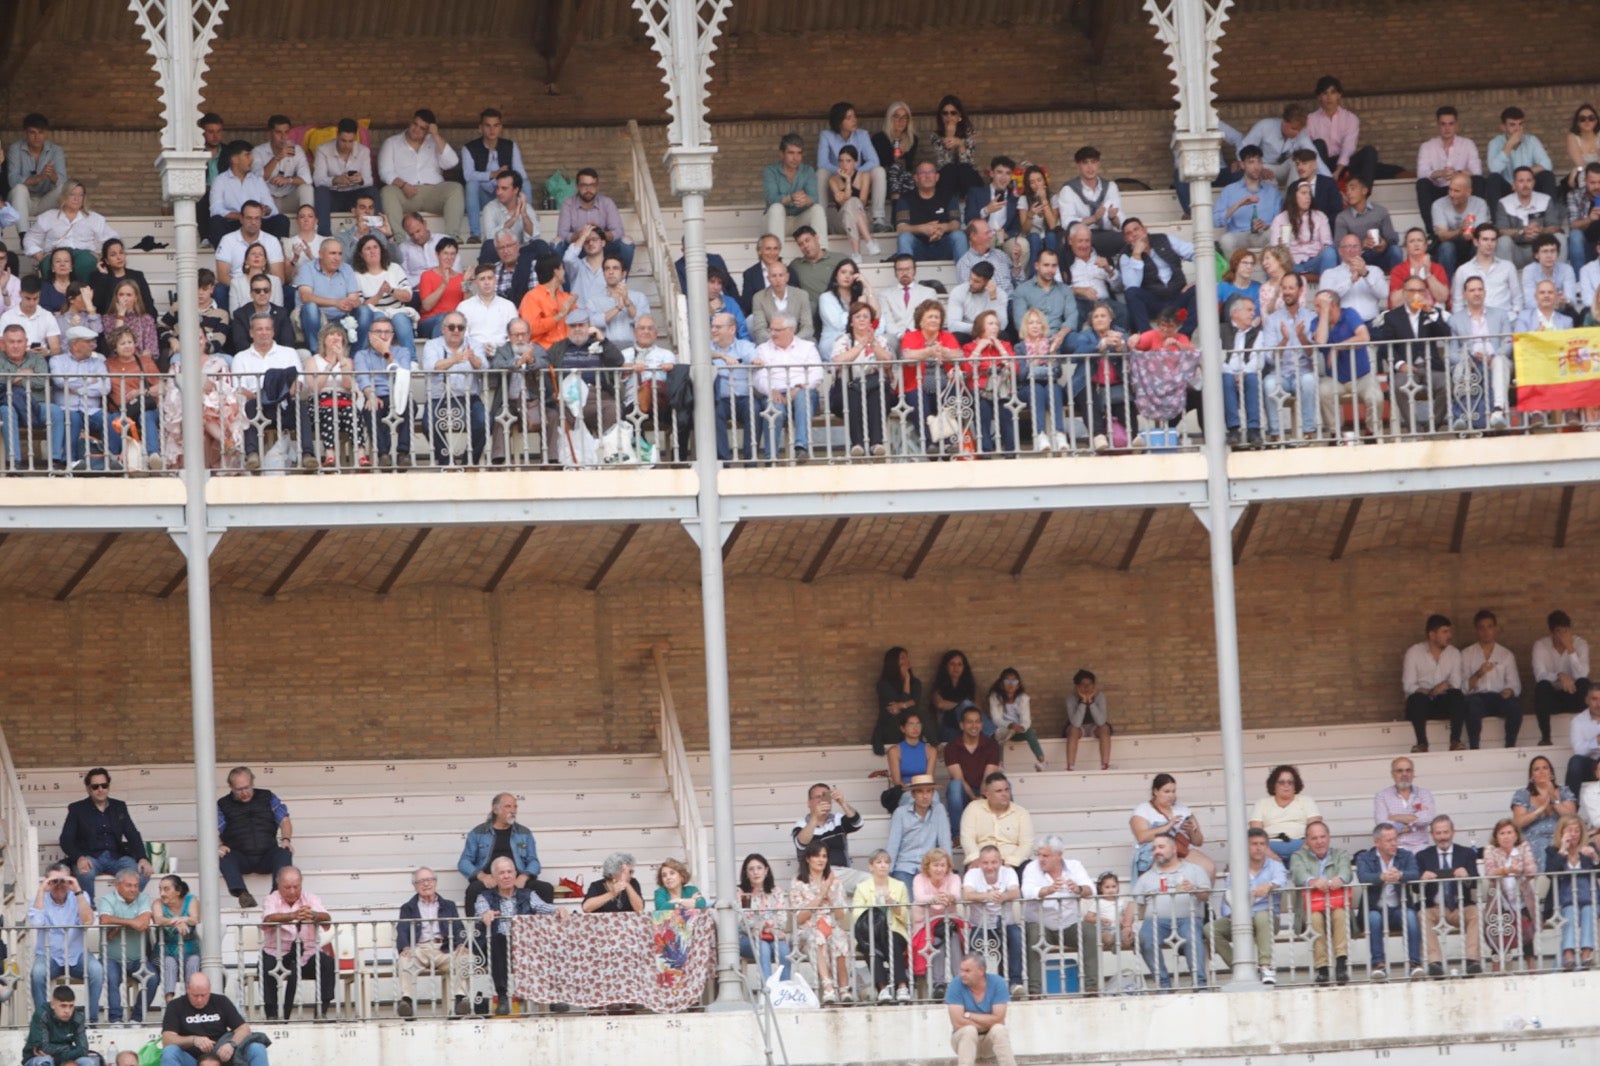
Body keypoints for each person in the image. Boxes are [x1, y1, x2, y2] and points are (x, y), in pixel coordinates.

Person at [478, 855, 559, 1015]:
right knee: (498, 941)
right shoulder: (485, 897)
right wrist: (485, 914)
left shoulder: (528, 894)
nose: (506, 876)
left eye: (509, 871)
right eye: (501, 873)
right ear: (494, 877)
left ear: (515, 874)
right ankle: (502, 997)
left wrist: (557, 910)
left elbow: (543, 907)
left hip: (526, 943)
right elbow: (481, 911)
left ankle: (552, 997)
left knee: (547, 942)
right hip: (501, 944)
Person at [1204, 827, 1285, 985]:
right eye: (1254, 844)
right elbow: (1228, 896)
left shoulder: (1275, 866)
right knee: (1210, 929)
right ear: (1246, 846)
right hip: (1242, 917)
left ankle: (1265, 967)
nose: (1258, 847)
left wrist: (1269, 885)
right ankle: (1240, 968)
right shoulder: (1237, 868)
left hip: (1268, 919)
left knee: (1262, 916)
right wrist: (1231, 914)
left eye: (1262, 844)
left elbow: (1281, 880)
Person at [59, 767, 152, 902]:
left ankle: (123, 906)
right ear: (88, 789)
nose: (100, 789)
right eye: (95, 786)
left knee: (143, 872)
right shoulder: (77, 809)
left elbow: (132, 833)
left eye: (104, 785)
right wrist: (79, 857)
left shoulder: (119, 806)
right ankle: (90, 910)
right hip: (91, 857)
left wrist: (143, 858)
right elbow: (65, 839)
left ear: (108, 786)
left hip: (116, 857)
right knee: (85, 873)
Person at [1132, 833, 1211, 990]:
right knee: (1145, 940)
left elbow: (1206, 896)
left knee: (1192, 937)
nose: (1156, 851)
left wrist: (1194, 889)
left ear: (1174, 849)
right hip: (1155, 921)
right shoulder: (1146, 877)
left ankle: (1200, 984)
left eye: (1161, 847)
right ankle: (1163, 984)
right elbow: (1134, 904)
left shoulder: (1195, 870)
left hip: (1188, 918)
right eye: (1154, 848)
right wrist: (1127, 926)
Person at [1020, 834, 1097, 995]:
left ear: (1059, 855)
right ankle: (1035, 991)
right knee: (1033, 933)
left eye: (1045, 855)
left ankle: (1092, 988)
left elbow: (1091, 890)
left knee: (1089, 932)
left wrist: (1078, 889)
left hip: (1068, 925)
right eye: (1039, 854)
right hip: (1041, 926)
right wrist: (1047, 890)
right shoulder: (1031, 868)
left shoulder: (1074, 866)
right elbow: (1026, 892)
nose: (1041, 859)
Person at [28, 863, 103, 1021]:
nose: (59, 885)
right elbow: (36, 923)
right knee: (37, 974)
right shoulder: (38, 898)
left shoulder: (80, 896)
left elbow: (88, 921)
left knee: (96, 970)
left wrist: (76, 889)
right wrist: (42, 890)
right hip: (49, 955)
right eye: (54, 881)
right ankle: (43, 1021)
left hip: (77, 954)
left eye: (63, 880)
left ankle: (91, 1019)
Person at [394, 865, 470, 1019]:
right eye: (421, 881)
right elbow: (402, 929)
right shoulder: (408, 907)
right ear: (415, 886)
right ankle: (406, 1002)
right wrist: (405, 947)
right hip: (420, 949)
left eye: (429, 880)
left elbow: (458, 927)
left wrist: (461, 944)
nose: (426, 884)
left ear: (435, 882)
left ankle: (460, 1000)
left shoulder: (448, 905)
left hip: (443, 948)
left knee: (464, 958)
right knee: (404, 959)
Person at [259, 866, 334, 1020]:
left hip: (306, 954)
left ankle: (321, 1011)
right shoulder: (272, 898)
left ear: (301, 884)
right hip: (278, 954)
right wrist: (292, 916)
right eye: (287, 887)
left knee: (327, 964)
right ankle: (272, 1015)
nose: (292, 891)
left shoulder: (310, 898)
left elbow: (326, 918)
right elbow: (268, 919)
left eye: (296, 887)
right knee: (265, 965)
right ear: (278, 885)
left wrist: (313, 915)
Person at [378, 109, 464, 240]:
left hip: (433, 192)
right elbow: (384, 172)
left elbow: (452, 162)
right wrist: (403, 185)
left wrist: (435, 135)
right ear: (410, 122)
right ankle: (399, 237)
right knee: (387, 192)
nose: (416, 129)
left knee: (456, 188)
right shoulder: (392, 142)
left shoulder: (435, 141)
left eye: (422, 128)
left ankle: (452, 237)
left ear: (428, 130)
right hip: (406, 193)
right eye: (415, 124)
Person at [215, 766, 293, 908]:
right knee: (223, 857)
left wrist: (286, 839)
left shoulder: (268, 797)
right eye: (239, 789)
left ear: (252, 783)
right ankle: (243, 894)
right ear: (231, 787)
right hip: (240, 857)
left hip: (267, 855)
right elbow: (213, 829)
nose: (244, 792)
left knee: (284, 853)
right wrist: (219, 845)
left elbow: (284, 820)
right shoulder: (223, 804)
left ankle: (276, 894)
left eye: (247, 787)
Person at [1355, 823, 1423, 981]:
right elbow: (1363, 876)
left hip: (1397, 909)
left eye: (1395, 839)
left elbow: (1415, 873)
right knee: (1374, 918)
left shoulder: (1405, 855)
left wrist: (1400, 875)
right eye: (1389, 840)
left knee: (1411, 916)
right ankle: (1379, 965)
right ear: (1377, 842)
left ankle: (1415, 963)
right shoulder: (1365, 857)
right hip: (1374, 909)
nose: (1394, 843)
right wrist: (1381, 877)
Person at [1416, 815, 1482, 976]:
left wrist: (1467, 876)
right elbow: (1415, 890)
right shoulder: (1422, 856)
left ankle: (1472, 960)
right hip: (1435, 907)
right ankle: (1435, 962)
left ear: (1453, 832)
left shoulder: (1466, 853)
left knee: (1477, 913)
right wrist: (1422, 879)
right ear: (1432, 835)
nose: (1442, 837)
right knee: (1421, 915)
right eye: (1438, 833)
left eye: (1446, 832)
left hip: (1461, 906)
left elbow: (1474, 882)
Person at [751, 314, 823, 461]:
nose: (773, 334)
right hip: (775, 392)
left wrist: (799, 387)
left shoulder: (807, 347)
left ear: (790, 330)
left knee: (804, 396)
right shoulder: (763, 349)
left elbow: (817, 372)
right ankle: (771, 457)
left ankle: (801, 447)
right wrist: (770, 390)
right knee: (774, 408)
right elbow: (759, 377)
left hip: (801, 390)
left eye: (777, 330)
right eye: (771, 330)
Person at [1288, 821, 1352, 985]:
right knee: (1314, 919)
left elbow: (1346, 870)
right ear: (1307, 841)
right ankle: (1322, 968)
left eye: (1323, 836)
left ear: (1329, 837)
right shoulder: (1298, 856)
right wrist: (1312, 881)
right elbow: (1298, 873)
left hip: (1336, 904)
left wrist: (1340, 878)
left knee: (1340, 914)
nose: (1319, 841)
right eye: (1314, 838)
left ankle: (1340, 964)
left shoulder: (1340, 853)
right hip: (1311, 907)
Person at [1311, 287, 1379, 440]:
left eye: (1318, 306)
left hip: (1361, 376)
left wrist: (1337, 346)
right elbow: (1321, 341)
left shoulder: (1349, 314)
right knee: (1323, 391)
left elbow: (1364, 337)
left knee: (1375, 396)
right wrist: (1324, 313)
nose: (1315, 310)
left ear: (1332, 305)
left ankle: (1371, 432)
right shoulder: (1317, 321)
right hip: (1335, 378)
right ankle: (1336, 434)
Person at [790, 840, 852, 1005]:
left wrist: (830, 895)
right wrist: (820, 894)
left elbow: (840, 915)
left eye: (824, 856)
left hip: (831, 925)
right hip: (808, 928)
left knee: (839, 937)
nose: (821, 859)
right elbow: (799, 918)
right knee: (816, 937)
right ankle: (828, 987)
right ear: (808, 859)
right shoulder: (798, 883)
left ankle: (844, 989)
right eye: (816, 855)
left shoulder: (835, 882)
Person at [159, 972, 267, 1066]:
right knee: (170, 1052)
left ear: (209, 990)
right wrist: (194, 1040)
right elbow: (167, 1039)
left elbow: (243, 1029)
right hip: (192, 1059)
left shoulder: (221, 1001)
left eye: (204, 995)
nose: (200, 1000)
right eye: (195, 995)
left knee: (257, 1048)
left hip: (221, 1057)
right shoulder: (176, 1005)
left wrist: (231, 1044)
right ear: (188, 990)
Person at [95, 867, 158, 1024]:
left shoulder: (143, 898)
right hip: (111, 958)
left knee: (153, 978)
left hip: (137, 960)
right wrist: (131, 922)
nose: (133, 889)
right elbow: (105, 920)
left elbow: (143, 922)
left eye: (136, 885)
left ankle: (136, 1019)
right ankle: (115, 1019)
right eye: (129, 885)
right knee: (111, 977)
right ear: (118, 885)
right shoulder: (107, 899)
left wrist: (117, 927)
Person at [829, 300, 890, 458]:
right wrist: (860, 345)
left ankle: (877, 443)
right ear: (851, 321)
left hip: (875, 387)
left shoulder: (880, 341)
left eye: (866, 316)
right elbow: (838, 361)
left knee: (878, 394)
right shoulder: (843, 340)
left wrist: (873, 344)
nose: (862, 319)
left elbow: (888, 361)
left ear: (871, 321)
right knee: (853, 394)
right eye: (858, 316)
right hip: (848, 389)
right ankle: (858, 444)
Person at [961, 845, 1024, 995]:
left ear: (1001, 862)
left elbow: (1016, 892)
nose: (990, 867)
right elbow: (967, 895)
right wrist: (986, 896)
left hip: (1005, 923)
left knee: (1017, 937)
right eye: (985, 863)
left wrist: (1002, 897)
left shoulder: (1008, 872)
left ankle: (1015, 983)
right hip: (980, 925)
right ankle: (976, 986)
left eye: (994, 862)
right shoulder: (972, 873)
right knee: (972, 947)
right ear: (979, 863)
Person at [1117, 217, 1197, 335]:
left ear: (1145, 230)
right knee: (1131, 293)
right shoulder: (1125, 256)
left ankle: (1184, 335)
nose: (1134, 234)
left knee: (1199, 289)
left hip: (1178, 296)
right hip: (1153, 301)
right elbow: (1132, 286)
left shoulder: (1164, 239)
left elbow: (1197, 252)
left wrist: (1199, 280)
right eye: (1129, 233)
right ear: (1126, 239)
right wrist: (1136, 255)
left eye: (1136, 229)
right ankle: (1148, 335)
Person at [850, 849, 911, 1003]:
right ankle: (882, 988)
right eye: (879, 862)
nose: (883, 865)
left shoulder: (900, 886)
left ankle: (901, 985)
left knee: (893, 939)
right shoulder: (863, 887)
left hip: (895, 930)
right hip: (870, 932)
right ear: (871, 866)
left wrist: (895, 906)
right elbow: (857, 914)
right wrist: (874, 910)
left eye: (886, 862)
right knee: (869, 946)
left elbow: (907, 917)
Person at [1402, 613, 1467, 753]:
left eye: (1449, 631)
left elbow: (1456, 682)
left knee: (1457, 695)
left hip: (1443, 702)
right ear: (1432, 635)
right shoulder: (1414, 652)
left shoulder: (1454, 653)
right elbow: (1408, 685)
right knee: (1416, 699)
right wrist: (1428, 691)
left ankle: (1455, 741)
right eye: (1445, 632)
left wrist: (1446, 685)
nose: (1449, 636)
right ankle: (1422, 744)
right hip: (1422, 703)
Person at [461, 108, 528, 243]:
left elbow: (521, 174)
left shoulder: (510, 146)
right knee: (471, 185)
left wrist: (506, 177)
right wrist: (492, 174)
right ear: (480, 128)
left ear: (501, 127)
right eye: (488, 125)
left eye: (496, 125)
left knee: (525, 183)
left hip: (507, 197)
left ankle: (527, 231)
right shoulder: (469, 148)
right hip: (484, 197)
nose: (492, 130)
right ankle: (475, 234)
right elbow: (468, 175)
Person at [1130, 773, 1213, 879]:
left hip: (1181, 851)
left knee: (1209, 867)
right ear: (1155, 791)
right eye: (1166, 791)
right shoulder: (1143, 809)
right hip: (1157, 852)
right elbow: (1141, 837)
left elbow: (1198, 842)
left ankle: (1202, 895)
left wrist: (1191, 831)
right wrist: (1167, 827)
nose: (1171, 795)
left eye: (1173, 791)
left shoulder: (1183, 809)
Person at [1482, 817, 1539, 971]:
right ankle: (1497, 969)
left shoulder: (1523, 847)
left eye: (1509, 832)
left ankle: (1531, 968)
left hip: (1522, 898)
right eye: (1502, 833)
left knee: (1527, 932)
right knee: (1498, 932)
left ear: (1515, 835)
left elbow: (1532, 870)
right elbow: (1490, 872)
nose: (1506, 836)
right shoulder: (1490, 850)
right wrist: (1507, 870)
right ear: (1496, 836)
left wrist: (1519, 870)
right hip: (1499, 900)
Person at [1415, 106, 1485, 227]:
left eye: (1451, 124)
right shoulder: (1427, 146)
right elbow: (1421, 173)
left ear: (1456, 125)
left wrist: (1458, 173)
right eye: (1443, 124)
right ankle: (1433, 233)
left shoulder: (1467, 144)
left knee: (1478, 180)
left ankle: (1475, 228)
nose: (1447, 128)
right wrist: (1440, 173)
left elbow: (1477, 171)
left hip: (1461, 190)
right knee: (1422, 183)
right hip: (1438, 190)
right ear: (1438, 125)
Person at [1545, 814, 1598, 970]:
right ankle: (1568, 954)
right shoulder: (1552, 850)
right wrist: (1563, 850)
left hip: (1590, 898)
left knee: (1589, 910)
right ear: (1561, 832)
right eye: (1570, 830)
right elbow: (1550, 872)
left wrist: (1595, 857)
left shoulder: (1589, 849)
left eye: (1577, 830)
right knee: (1571, 911)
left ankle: (1586, 953)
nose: (1574, 834)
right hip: (1564, 900)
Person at [208, 142, 285, 248]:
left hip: (256, 223)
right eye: (247, 155)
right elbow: (216, 209)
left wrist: (265, 209)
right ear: (234, 159)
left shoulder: (257, 180)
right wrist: (240, 216)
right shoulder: (220, 180)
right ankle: (223, 258)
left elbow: (273, 209)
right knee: (216, 222)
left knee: (281, 220)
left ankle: (272, 257)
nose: (252, 159)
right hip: (234, 223)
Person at [555, 168, 633, 272]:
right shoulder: (568, 204)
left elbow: (618, 231)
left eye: (592, 185)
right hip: (579, 248)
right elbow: (562, 233)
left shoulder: (607, 203)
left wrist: (600, 234)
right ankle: (568, 288)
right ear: (577, 186)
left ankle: (619, 285)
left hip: (603, 247)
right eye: (584, 185)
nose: (588, 189)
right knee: (556, 245)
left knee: (626, 244)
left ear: (597, 186)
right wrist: (580, 235)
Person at [1534, 609, 1591, 747]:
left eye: (1566, 631)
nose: (1563, 635)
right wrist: (1560, 676)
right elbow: (1540, 675)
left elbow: (1582, 674)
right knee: (1541, 687)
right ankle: (1546, 738)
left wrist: (1570, 648)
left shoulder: (1580, 644)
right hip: (1553, 699)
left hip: (1573, 695)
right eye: (1559, 631)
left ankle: (1588, 735)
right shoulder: (1541, 645)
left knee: (1585, 684)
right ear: (1551, 632)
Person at [947, 954, 1017, 1066]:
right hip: (963, 1041)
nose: (962, 974)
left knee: (999, 1029)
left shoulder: (997, 983)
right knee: (969, 1031)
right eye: (961, 970)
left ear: (981, 970)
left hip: (989, 1041)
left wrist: (969, 1015)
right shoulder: (955, 984)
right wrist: (989, 1021)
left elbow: (999, 1019)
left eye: (967, 971)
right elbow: (957, 1023)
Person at [310, 117, 378, 234]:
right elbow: (317, 180)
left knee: (372, 191)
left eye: (350, 141)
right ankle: (324, 235)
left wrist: (360, 180)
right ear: (337, 135)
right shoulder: (323, 149)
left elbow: (369, 180)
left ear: (355, 137)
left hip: (355, 196)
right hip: (333, 196)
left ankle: (377, 232)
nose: (347, 145)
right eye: (343, 141)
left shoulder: (363, 151)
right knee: (321, 192)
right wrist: (335, 180)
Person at [1056, 146, 1125, 260]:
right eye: (1085, 163)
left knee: (1130, 238)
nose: (1090, 167)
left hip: (1107, 235)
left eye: (1093, 162)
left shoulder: (1110, 187)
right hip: (1082, 237)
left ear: (1098, 164)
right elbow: (1067, 223)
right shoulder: (1068, 190)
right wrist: (1094, 218)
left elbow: (1120, 219)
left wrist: (1113, 219)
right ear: (1078, 165)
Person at [886, 774, 950, 895]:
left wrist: (948, 870)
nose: (925, 796)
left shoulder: (939, 810)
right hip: (904, 867)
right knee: (908, 904)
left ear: (933, 793)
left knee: (933, 903)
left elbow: (945, 841)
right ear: (913, 794)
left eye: (929, 791)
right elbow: (893, 845)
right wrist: (887, 873)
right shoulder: (900, 813)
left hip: (930, 868)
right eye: (920, 792)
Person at [351, 235, 415, 352]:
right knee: (380, 320)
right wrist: (379, 295)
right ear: (361, 254)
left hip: (397, 311)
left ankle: (412, 361)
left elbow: (408, 296)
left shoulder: (394, 268)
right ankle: (381, 359)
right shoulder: (357, 275)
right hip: (375, 313)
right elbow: (362, 307)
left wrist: (391, 291)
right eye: (368, 248)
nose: (372, 251)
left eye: (375, 247)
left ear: (381, 250)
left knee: (400, 319)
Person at [965, 156, 1026, 280]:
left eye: (1008, 173)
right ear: (991, 173)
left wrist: (1007, 235)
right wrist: (986, 210)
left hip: (1004, 237)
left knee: (1022, 245)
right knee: (989, 242)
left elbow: (1016, 227)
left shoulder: (1014, 198)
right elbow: (968, 220)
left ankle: (1016, 279)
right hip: (985, 236)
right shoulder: (976, 193)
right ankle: (992, 280)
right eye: (999, 172)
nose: (1003, 177)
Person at [944, 706, 1001, 838]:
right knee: (955, 785)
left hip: (985, 790)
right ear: (962, 725)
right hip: (963, 792)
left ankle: (1006, 832)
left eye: (977, 722)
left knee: (1003, 784)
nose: (974, 725)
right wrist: (973, 798)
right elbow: (958, 777)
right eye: (969, 722)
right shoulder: (951, 747)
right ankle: (957, 836)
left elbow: (989, 776)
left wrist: (981, 795)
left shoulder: (991, 745)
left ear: (981, 724)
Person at [1213, 145, 1280, 257]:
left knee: (1278, 236)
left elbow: (1280, 221)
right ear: (1242, 165)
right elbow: (1216, 221)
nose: (1256, 167)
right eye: (1251, 162)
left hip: (1264, 235)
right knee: (1226, 240)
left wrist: (1267, 226)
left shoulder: (1273, 192)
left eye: (1259, 162)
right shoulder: (1229, 190)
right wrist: (1239, 204)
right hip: (1240, 235)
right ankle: (1235, 273)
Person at [1493, 166, 1564, 270]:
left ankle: (1557, 277)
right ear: (1514, 184)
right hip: (1516, 251)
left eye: (1529, 180)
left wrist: (1541, 230)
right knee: (1503, 241)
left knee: (1560, 237)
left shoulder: (1545, 200)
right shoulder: (1504, 202)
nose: (1525, 185)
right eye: (1521, 181)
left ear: (1534, 183)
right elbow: (1500, 231)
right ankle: (1506, 280)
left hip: (1541, 251)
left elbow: (1556, 227)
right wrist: (1522, 231)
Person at [960, 773, 1032, 871]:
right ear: (987, 794)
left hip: (1012, 863)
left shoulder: (1021, 813)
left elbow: (1026, 844)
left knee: (1029, 867)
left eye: (1007, 790)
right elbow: (967, 838)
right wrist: (977, 858)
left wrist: (1011, 862)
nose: (1005, 794)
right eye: (999, 791)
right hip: (982, 862)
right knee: (973, 869)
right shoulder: (973, 808)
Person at [1250, 764, 1322, 862]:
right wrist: (1269, 853)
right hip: (1269, 848)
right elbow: (1255, 833)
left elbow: (1316, 829)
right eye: (1281, 782)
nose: (1286, 785)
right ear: (1274, 785)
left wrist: (1302, 852)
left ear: (1295, 785)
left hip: (1303, 847)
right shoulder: (1262, 803)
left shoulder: (1306, 801)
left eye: (1290, 782)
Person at [895, 163, 966, 263]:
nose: (927, 176)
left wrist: (941, 228)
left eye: (931, 172)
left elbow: (956, 224)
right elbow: (901, 228)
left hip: (943, 246)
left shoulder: (949, 196)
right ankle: (907, 274)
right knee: (904, 237)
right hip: (919, 248)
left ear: (937, 177)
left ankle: (965, 276)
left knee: (959, 236)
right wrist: (922, 229)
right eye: (923, 172)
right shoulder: (906, 199)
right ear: (916, 177)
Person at [763, 133, 826, 246]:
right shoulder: (770, 171)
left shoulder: (808, 171)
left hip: (799, 221)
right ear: (782, 154)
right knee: (776, 208)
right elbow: (771, 199)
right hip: (777, 222)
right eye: (791, 153)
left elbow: (814, 198)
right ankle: (776, 257)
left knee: (817, 209)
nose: (795, 158)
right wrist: (791, 197)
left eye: (799, 153)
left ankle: (822, 253)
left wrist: (806, 200)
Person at [737, 854, 791, 982]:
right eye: (751, 869)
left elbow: (782, 919)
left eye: (759, 868)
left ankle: (783, 991)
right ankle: (767, 991)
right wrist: (767, 927)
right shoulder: (741, 893)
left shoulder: (776, 891)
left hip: (773, 937)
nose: (756, 872)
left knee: (784, 949)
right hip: (747, 939)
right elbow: (744, 921)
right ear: (746, 873)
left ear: (766, 870)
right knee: (763, 947)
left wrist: (764, 926)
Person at [1485, 106, 1557, 202]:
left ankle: (1550, 214)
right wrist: (1509, 145)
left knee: (1547, 175)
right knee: (1493, 179)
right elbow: (1494, 169)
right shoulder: (1495, 142)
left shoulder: (1531, 140)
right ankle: (1497, 217)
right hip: (1508, 187)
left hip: (1528, 185)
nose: (1517, 129)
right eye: (1512, 125)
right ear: (1503, 127)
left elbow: (1547, 164)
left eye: (1520, 124)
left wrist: (1523, 176)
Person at [1512, 754, 1576, 860]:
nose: (1541, 771)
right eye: (1537, 769)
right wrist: (1539, 810)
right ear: (1531, 776)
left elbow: (1572, 818)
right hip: (1532, 839)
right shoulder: (1522, 794)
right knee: (1540, 846)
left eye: (1545, 768)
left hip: (1560, 837)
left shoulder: (1564, 791)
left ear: (1551, 772)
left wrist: (1555, 800)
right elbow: (1518, 823)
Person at [1370, 756, 1437, 854]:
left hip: (1420, 848)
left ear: (1413, 773)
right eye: (1399, 771)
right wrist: (1414, 822)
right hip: (1394, 849)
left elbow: (1427, 818)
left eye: (1408, 770)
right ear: (1393, 774)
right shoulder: (1382, 796)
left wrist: (1395, 817)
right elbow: (1382, 825)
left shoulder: (1424, 793)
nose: (1404, 774)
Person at [151, 874, 201, 1003]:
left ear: (178, 891)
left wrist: (182, 919)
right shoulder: (158, 903)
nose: (162, 893)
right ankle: (170, 1002)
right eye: (160, 889)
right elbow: (158, 919)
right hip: (163, 954)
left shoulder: (191, 899)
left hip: (190, 951)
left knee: (194, 961)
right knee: (169, 962)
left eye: (166, 889)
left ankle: (191, 999)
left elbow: (195, 919)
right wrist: (176, 922)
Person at [986, 669, 1046, 773]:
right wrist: (1009, 725)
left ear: (1018, 685)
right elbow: (996, 719)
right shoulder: (995, 697)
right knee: (995, 734)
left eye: (1014, 681)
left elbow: (1026, 719)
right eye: (1007, 681)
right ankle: (999, 763)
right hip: (1003, 730)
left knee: (1030, 731)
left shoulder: (1023, 698)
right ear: (1001, 684)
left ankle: (1042, 761)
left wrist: (1022, 727)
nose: (1011, 684)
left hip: (1017, 732)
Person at [24, 987, 99, 1066]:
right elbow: (43, 1048)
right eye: (63, 1006)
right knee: (46, 1061)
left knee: (88, 1062)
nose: (67, 1011)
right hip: (36, 1058)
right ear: (53, 1005)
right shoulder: (42, 1015)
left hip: (65, 1057)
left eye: (71, 1006)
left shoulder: (77, 1018)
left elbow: (83, 1050)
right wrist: (69, 1048)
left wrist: (59, 1057)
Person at [931, 95, 982, 206]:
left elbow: (968, 162)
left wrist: (961, 145)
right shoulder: (935, 136)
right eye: (945, 113)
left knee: (964, 169)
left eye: (953, 113)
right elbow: (944, 163)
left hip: (967, 175)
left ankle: (970, 208)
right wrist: (949, 134)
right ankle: (949, 209)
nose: (949, 116)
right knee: (950, 170)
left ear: (960, 115)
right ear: (941, 116)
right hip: (947, 176)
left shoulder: (969, 133)